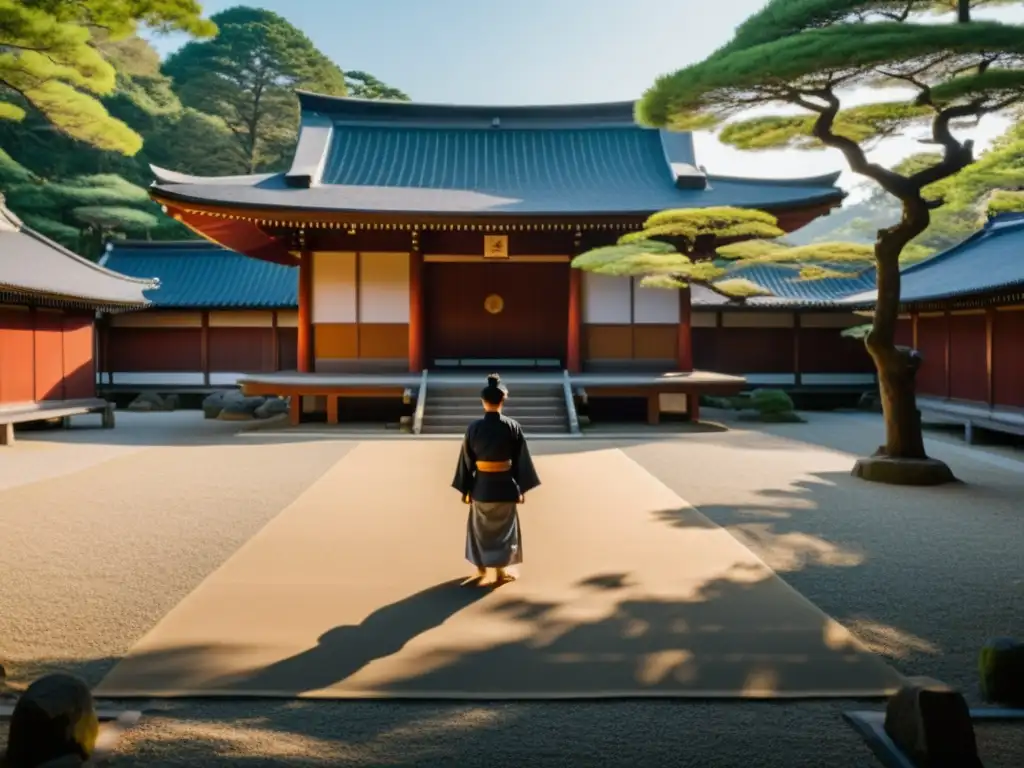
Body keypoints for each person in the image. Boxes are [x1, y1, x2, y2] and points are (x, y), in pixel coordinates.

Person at [451, 373, 541, 583]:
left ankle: (481, 569)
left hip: (481, 487)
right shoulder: (512, 426)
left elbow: (466, 460)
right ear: (503, 400)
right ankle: (500, 571)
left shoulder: (474, 428)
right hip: (506, 488)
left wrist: (466, 489)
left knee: (479, 530)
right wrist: (521, 488)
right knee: (504, 531)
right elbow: (521, 460)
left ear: (483, 402)